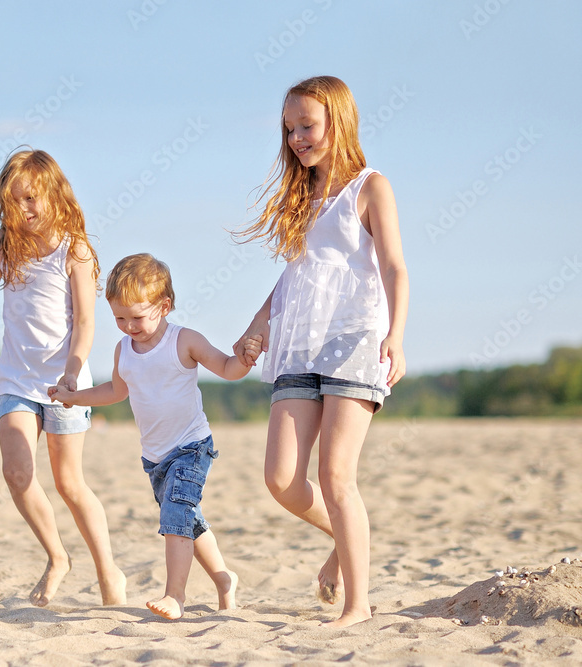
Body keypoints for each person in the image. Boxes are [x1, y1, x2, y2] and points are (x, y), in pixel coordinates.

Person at [232, 76, 409, 627]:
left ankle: (358, 604)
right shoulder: (301, 198)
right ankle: (344, 535)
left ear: (338, 120)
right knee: (282, 479)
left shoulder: (370, 187)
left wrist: (396, 335)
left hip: (356, 340)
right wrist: (256, 326)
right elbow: (293, 279)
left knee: (336, 476)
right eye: (289, 129)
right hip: (297, 345)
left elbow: (395, 267)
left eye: (306, 125)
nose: (296, 138)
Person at [0, 149, 127, 607]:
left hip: (67, 381)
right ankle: (57, 557)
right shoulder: (5, 245)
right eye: (13, 201)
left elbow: (86, 322)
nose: (23, 209)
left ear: (53, 193)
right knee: (16, 470)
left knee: (69, 483)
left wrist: (72, 372)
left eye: (30, 198)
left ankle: (109, 571)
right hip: (17, 381)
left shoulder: (75, 248)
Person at [49, 253, 262, 619]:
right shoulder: (124, 351)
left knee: (176, 515)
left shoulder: (185, 341)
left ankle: (174, 596)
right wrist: (76, 398)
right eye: (119, 318)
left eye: (137, 317)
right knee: (189, 521)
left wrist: (244, 358)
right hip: (155, 458)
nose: (128, 326)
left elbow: (227, 368)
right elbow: (115, 391)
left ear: (164, 306)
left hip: (192, 447)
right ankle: (224, 579)